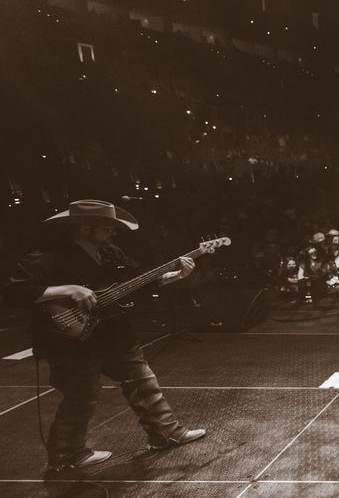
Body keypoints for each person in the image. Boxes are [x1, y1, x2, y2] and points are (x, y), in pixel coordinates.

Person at [1, 200, 206, 474]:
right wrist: (66, 290)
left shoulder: (109, 252)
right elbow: (13, 293)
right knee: (82, 394)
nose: (113, 232)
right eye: (107, 227)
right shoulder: (47, 256)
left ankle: (165, 433)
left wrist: (170, 277)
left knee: (143, 380)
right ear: (86, 228)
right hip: (70, 339)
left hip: (113, 331)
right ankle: (66, 454)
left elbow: (132, 284)